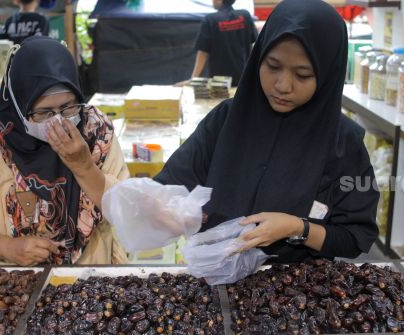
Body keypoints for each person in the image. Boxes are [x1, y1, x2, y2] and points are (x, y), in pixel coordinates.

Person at [155, 0, 379, 262]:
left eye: (303, 75)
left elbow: (354, 237)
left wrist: (298, 228)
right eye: (272, 66)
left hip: (297, 294)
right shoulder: (226, 120)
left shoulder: (344, 143)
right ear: (258, 57)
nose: (283, 85)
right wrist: (166, 210)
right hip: (216, 279)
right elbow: (168, 188)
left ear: (328, 75)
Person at [0, 37, 129, 266]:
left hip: (92, 281)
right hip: (20, 285)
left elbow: (128, 212)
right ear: (19, 106)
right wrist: (6, 247)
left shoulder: (97, 133)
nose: (57, 122)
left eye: (67, 108)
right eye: (43, 113)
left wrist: (83, 166)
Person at [190, 0, 258, 86]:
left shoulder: (210, 20)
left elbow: (203, 53)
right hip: (243, 79)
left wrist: (193, 78)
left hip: (220, 83)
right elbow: (252, 45)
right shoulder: (245, 15)